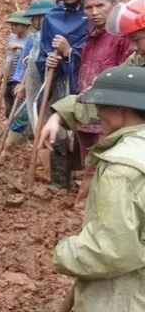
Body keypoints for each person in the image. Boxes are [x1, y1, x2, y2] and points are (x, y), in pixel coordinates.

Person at [40, 65, 145, 312]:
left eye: (101, 105)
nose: (97, 113)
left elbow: (111, 250)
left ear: (120, 108)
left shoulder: (122, 168)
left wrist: (64, 254)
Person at [68, 0, 130, 205]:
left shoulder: (122, 38)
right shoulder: (89, 38)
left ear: (113, 6)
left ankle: (88, 203)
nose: (94, 12)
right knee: (88, 159)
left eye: (100, 5)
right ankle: (87, 201)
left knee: (103, 161)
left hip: (111, 112)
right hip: (87, 109)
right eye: (88, 7)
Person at [0, 0, 57, 165]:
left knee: (44, 124)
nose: (33, 22)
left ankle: (45, 163)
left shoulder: (56, 38)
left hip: (53, 89)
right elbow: (26, 65)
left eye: (36, 18)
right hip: (34, 89)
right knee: (26, 118)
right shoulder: (35, 39)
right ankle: (12, 148)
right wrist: (22, 84)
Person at [36, 0, 93, 97]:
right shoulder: (52, 16)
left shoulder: (92, 14)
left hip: (85, 82)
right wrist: (48, 60)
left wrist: (70, 52)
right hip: (58, 81)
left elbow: (97, 50)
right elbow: (44, 49)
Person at [0, 11, 31, 117]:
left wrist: (21, 47)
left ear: (25, 25)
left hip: (20, 81)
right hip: (8, 79)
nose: (12, 27)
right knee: (8, 110)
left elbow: (33, 57)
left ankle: (15, 133)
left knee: (18, 113)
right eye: (12, 24)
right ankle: (9, 131)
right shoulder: (12, 37)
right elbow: (6, 57)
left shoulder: (32, 39)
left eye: (16, 24)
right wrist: (0, 77)